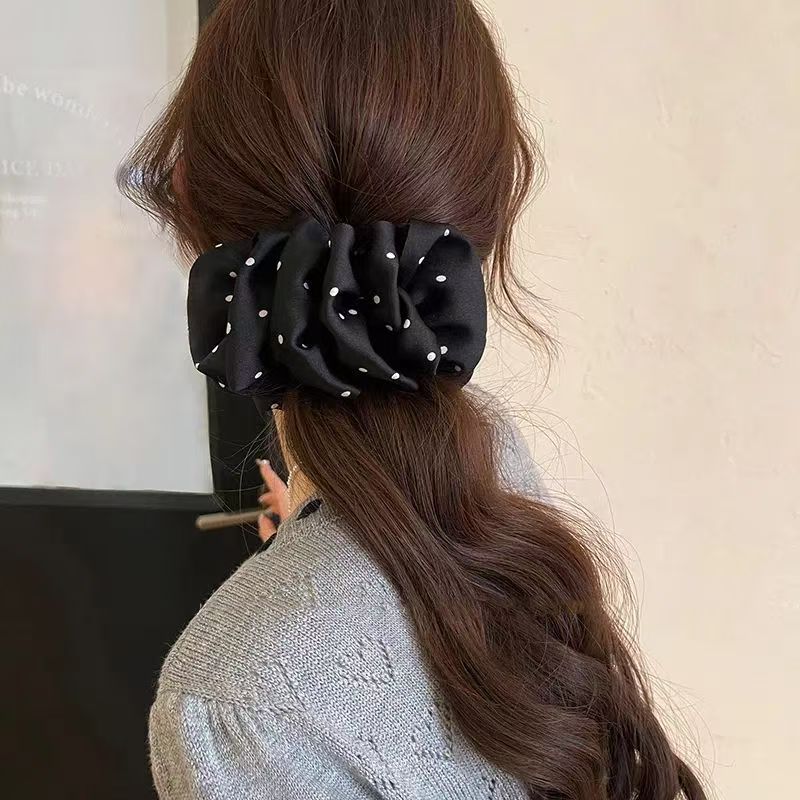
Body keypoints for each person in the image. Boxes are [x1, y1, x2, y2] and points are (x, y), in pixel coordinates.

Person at [120, 1, 708, 798]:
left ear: (190, 202)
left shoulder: (236, 697)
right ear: (496, 199)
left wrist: (305, 584)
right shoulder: (503, 486)